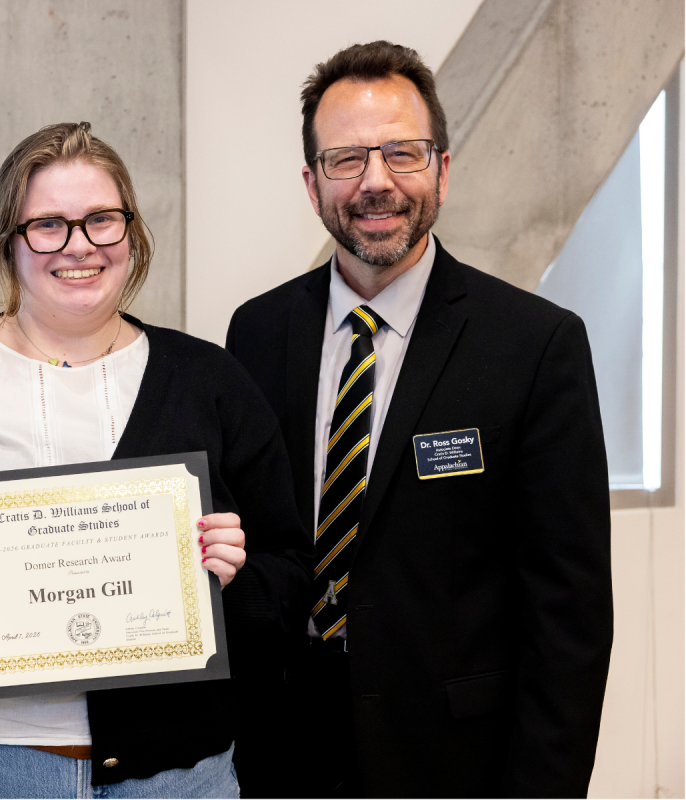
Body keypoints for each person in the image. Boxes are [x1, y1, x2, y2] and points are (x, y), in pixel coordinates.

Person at [0, 121, 314, 798]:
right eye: (48, 225)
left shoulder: (210, 381)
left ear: (131, 233)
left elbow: (291, 572)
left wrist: (233, 579)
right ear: (9, 242)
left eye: (102, 220)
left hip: (175, 779)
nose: (78, 247)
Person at [226, 41, 613, 797]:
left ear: (442, 167)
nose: (376, 182)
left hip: (455, 759)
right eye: (346, 160)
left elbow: (569, 615)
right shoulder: (257, 333)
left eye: (402, 153)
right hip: (281, 751)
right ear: (312, 185)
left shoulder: (536, 345)